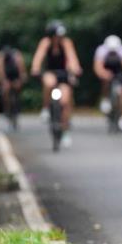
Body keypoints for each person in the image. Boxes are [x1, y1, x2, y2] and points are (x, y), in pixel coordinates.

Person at [30, 20, 83, 148]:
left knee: (65, 102)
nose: (58, 39)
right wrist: (35, 68)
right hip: (50, 72)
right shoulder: (45, 43)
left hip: (64, 74)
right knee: (49, 82)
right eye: (56, 36)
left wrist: (75, 68)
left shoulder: (66, 43)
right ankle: (46, 108)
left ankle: (65, 132)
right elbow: (38, 57)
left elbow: (72, 58)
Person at [93, 34, 122, 131]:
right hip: (107, 69)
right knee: (105, 80)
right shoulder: (101, 50)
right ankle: (105, 98)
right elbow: (98, 67)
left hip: (119, 71)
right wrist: (103, 74)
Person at [0, 44, 26, 128]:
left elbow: (21, 67)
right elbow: (0, 69)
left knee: (17, 90)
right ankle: (7, 109)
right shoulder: (1, 56)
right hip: (6, 76)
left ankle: (16, 110)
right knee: (6, 91)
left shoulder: (16, 55)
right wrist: (4, 81)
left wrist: (21, 78)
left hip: (15, 75)